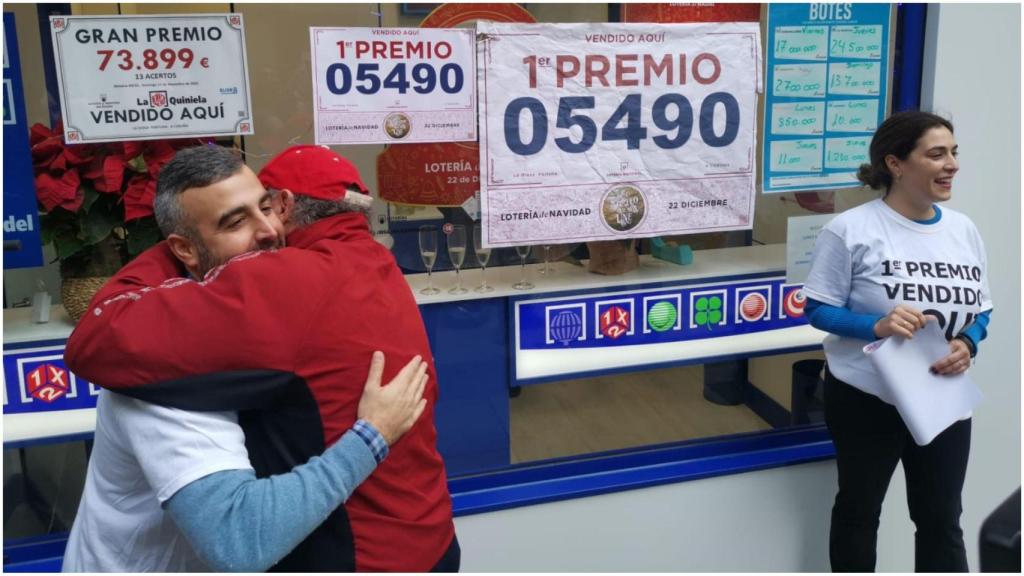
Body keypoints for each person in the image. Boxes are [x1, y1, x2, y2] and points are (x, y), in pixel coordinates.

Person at [64, 145, 458, 572]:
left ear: (285, 204)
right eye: (236, 220)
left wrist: (187, 246)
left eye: (265, 207)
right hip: (428, 541)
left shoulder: (284, 283)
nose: (269, 229)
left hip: (363, 557)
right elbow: (96, 341)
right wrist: (370, 436)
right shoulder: (373, 262)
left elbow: (95, 337)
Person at [803, 111, 993, 572]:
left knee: (942, 519)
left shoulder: (962, 229)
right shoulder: (850, 230)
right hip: (868, 396)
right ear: (896, 163)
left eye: (953, 153)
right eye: (936, 154)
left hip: (942, 398)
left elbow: (983, 308)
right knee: (859, 513)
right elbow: (817, 309)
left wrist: (969, 342)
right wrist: (876, 325)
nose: (952, 165)